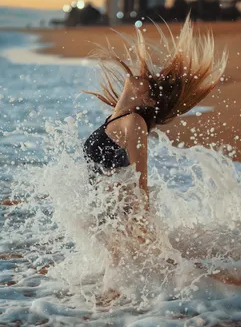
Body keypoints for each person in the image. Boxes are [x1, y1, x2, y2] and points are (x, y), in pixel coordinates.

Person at [83, 16, 227, 211]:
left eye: (150, 83)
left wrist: (143, 226)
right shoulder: (118, 118)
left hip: (120, 218)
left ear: (149, 100)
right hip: (106, 216)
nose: (145, 76)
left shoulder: (134, 122)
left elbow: (140, 180)